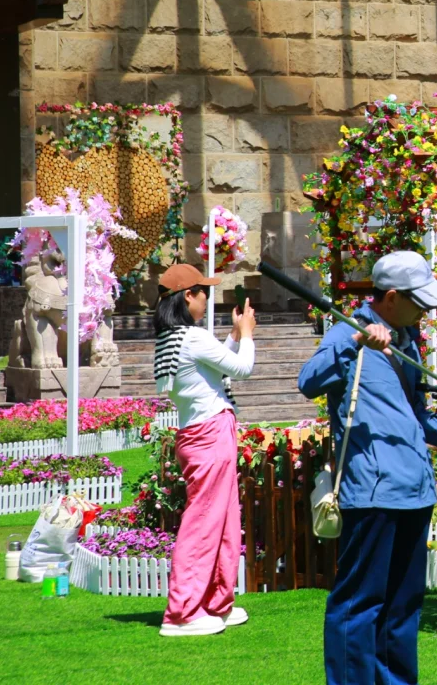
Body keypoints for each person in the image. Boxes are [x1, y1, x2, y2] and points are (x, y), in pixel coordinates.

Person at [298, 251, 437, 685]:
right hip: (371, 490)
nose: (425, 312)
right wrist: (355, 345)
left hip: (415, 489)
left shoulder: (407, 340)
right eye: (419, 302)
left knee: (402, 605)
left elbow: (418, 422)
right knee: (359, 603)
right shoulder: (345, 333)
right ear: (390, 297)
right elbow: (308, 381)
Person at [153, 262, 256, 638]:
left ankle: (215, 603)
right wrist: (246, 335)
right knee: (203, 524)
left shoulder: (173, 338)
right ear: (187, 297)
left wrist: (231, 335)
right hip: (209, 435)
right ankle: (182, 613)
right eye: (203, 293)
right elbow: (242, 369)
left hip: (202, 432)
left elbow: (213, 370)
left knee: (224, 521)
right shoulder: (191, 337)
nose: (207, 299)